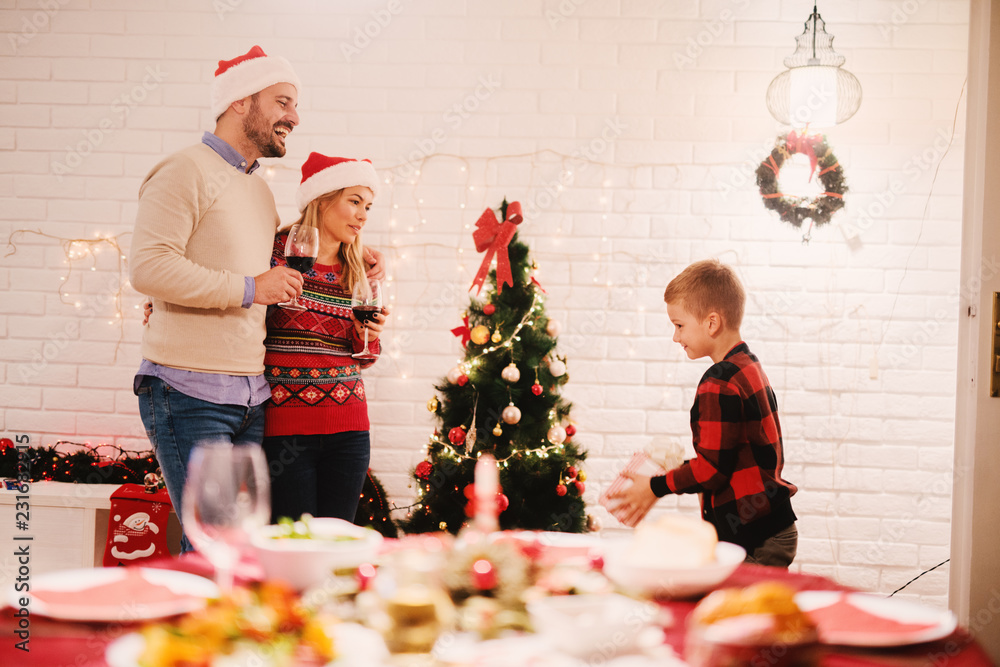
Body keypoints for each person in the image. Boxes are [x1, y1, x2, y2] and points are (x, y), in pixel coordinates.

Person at [129, 46, 383, 551]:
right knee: (217, 546)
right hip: (189, 390)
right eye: (282, 101)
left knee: (246, 549)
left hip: (251, 397)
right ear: (240, 102)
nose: (294, 116)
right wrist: (249, 289)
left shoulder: (259, 193)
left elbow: (282, 259)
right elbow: (149, 267)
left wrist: (356, 249)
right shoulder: (184, 170)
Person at [609, 259, 798, 568]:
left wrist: (656, 486)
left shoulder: (718, 382)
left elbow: (712, 470)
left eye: (679, 325)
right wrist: (674, 471)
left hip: (754, 537)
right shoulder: (748, 365)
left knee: (737, 614)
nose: (675, 337)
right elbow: (727, 458)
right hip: (771, 526)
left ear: (712, 323)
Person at [261, 152, 388, 523]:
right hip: (286, 430)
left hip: (349, 428)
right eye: (354, 201)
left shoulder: (361, 270)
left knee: (337, 547)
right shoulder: (274, 252)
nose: (363, 215)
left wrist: (369, 337)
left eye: (368, 206)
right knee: (293, 548)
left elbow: (365, 356)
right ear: (321, 200)